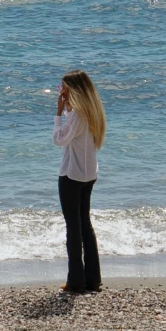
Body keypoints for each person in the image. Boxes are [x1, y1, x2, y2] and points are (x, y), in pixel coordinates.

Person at [53, 70, 105, 295]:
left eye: (63, 88)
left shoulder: (76, 115)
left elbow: (59, 139)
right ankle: (93, 279)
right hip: (89, 175)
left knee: (73, 228)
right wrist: (67, 110)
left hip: (71, 176)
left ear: (72, 89)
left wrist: (58, 113)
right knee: (85, 224)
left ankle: (76, 280)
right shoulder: (93, 112)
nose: (61, 91)